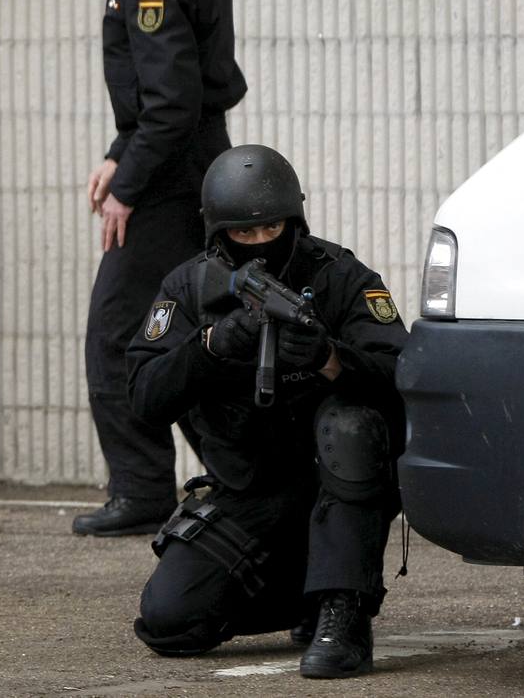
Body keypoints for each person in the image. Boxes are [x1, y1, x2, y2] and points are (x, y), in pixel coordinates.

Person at [125, 145, 407, 679]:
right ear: (217, 232)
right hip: (246, 485)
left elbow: (403, 374)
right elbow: (144, 397)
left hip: (333, 481)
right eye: (243, 233)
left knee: (349, 427)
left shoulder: (338, 276)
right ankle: (308, 597)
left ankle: (344, 611)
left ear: (293, 222)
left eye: (272, 229)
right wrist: (208, 347)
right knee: (169, 623)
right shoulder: (188, 288)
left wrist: (330, 361)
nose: (259, 242)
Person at [75, 0, 247, 537]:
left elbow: (171, 103)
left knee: (118, 336)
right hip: (191, 166)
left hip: (170, 182)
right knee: (186, 332)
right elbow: (176, 97)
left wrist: (128, 186)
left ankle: (143, 488)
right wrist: (121, 153)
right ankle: (243, 479)